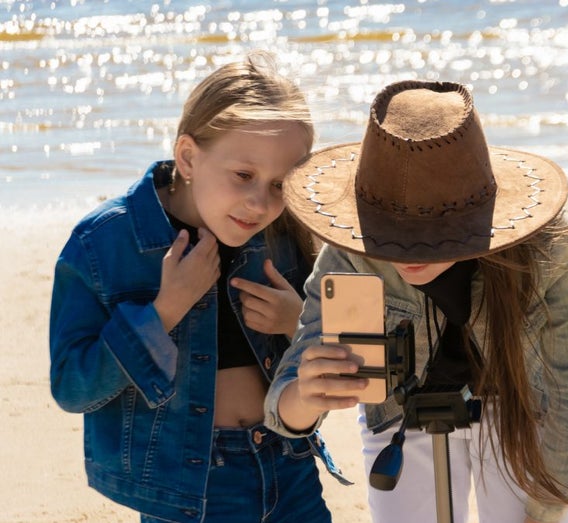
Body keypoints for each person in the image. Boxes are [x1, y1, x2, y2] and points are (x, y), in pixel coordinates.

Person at [263, 80, 568, 523]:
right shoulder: (348, 250)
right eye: (391, 231)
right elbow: (283, 405)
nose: (407, 250)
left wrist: (545, 511)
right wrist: (307, 394)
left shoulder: (550, 246)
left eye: (426, 235)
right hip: (401, 415)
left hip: (522, 409)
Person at [49, 51, 347, 523]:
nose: (260, 203)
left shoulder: (285, 230)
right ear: (188, 156)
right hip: (190, 487)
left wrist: (299, 322)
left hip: (288, 465)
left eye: (279, 184)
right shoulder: (104, 242)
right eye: (244, 176)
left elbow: (333, 355)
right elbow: (71, 386)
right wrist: (163, 311)